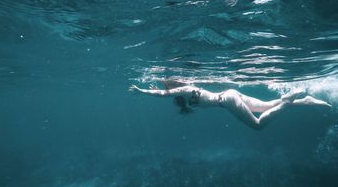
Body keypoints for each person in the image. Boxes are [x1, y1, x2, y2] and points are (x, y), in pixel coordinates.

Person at [129, 81, 331, 130]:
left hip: (227, 100)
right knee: (268, 105)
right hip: (229, 96)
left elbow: (162, 94)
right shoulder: (186, 90)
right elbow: (165, 93)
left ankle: (289, 100)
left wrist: (141, 91)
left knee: (258, 125)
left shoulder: (183, 89)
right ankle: (304, 101)